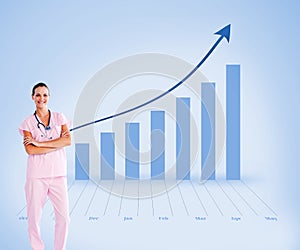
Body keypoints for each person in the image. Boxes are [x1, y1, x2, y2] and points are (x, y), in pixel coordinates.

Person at [19, 82, 71, 250]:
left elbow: (67, 140)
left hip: (58, 174)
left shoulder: (59, 118)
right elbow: (29, 150)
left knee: (63, 218)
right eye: (38, 95)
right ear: (33, 97)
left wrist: (39, 143)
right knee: (34, 218)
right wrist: (55, 144)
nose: (42, 98)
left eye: (45, 95)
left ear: (49, 97)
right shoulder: (27, 123)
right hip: (36, 176)